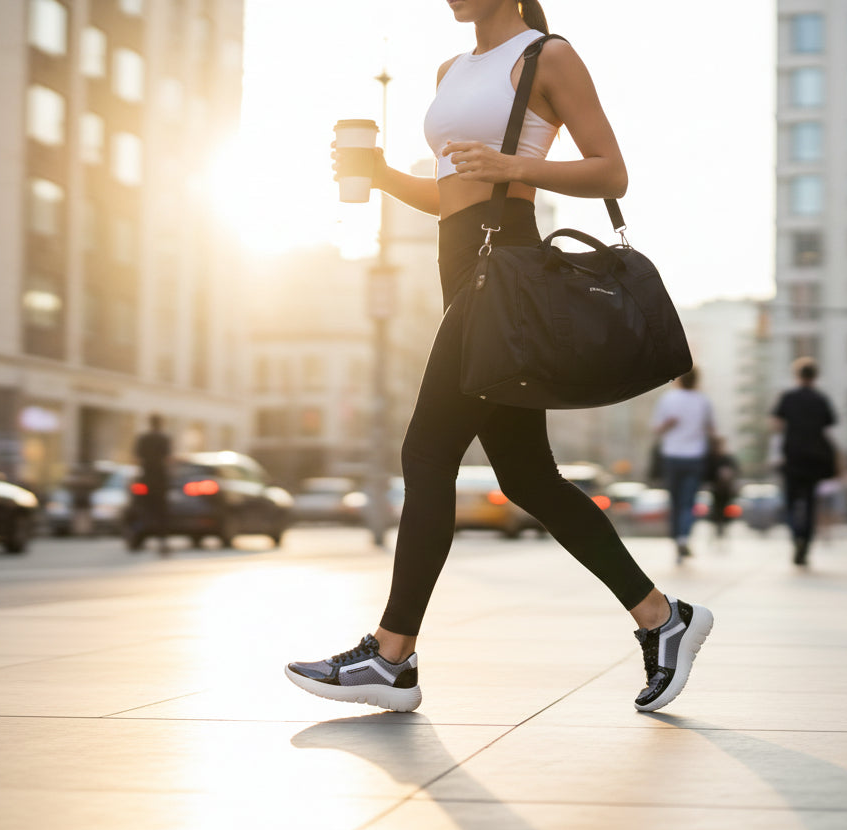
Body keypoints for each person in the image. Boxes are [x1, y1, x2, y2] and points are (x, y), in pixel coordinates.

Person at [285, 0, 713, 715]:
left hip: (506, 270)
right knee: (527, 477)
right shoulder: (453, 68)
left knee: (426, 458)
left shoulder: (548, 55)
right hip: (463, 269)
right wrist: (384, 175)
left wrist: (517, 164)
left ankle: (391, 657)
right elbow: (456, 194)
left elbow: (613, 174)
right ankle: (663, 618)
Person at [772, 357, 837, 565]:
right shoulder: (820, 399)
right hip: (815, 458)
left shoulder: (788, 397)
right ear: (815, 376)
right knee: (810, 503)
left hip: (792, 457)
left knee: (791, 503)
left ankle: (796, 537)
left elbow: (776, 425)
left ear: (797, 375)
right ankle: (806, 543)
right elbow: (829, 424)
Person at [651, 370, 715, 560]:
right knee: (688, 502)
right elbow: (712, 429)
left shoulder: (668, 399)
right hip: (695, 457)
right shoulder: (703, 401)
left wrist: (669, 425)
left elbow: (656, 428)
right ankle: (683, 538)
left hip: (672, 456)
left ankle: (677, 539)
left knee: (675, 502)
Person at [133, 413, 173, 554]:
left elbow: (137, 458)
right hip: (160, 479)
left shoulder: (143, 438)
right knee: (161, 512)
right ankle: (162, 541)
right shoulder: (163, 438)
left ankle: (138, 538)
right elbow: (168, 459)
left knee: (143, 508)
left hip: (146, 478)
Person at [705, 436, 740, 544]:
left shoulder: (727, 459)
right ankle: (717, 523)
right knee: (715, 508)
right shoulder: (709, 459)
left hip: (726, 490)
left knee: (725, 508)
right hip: (714, 490)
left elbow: (736, 471)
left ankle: (723, 523)